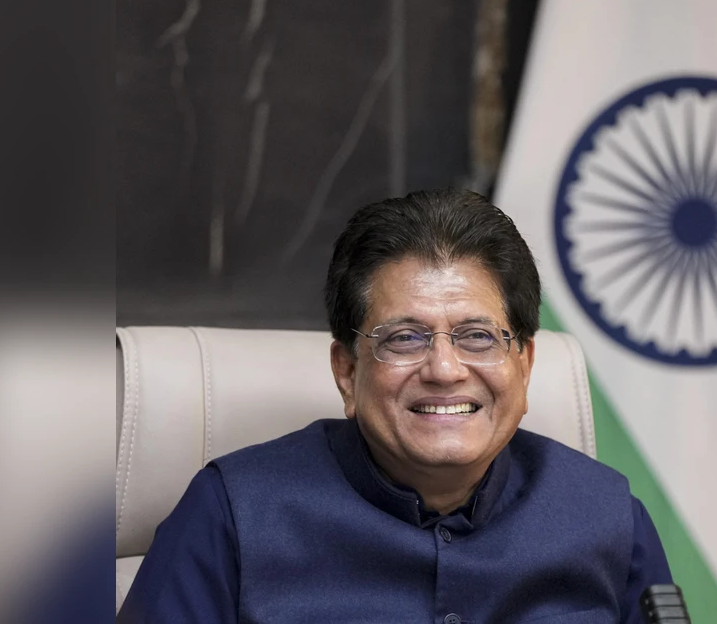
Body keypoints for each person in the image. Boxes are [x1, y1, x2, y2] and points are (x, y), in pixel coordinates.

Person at [118, 188, 673, 623]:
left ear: (524, 365)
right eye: (405, 338)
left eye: (477, 336)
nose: (444, 369)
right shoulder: (230, 515)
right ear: (347, 371)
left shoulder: (611, 520)